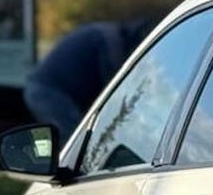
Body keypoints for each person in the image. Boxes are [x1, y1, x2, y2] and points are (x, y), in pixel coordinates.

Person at [22, 16, 160, 139]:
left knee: (75, 138)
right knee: (76, 139)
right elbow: (115, 92)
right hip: (49, 91)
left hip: (43, 88)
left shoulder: (106, 33)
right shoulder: (112, 43)